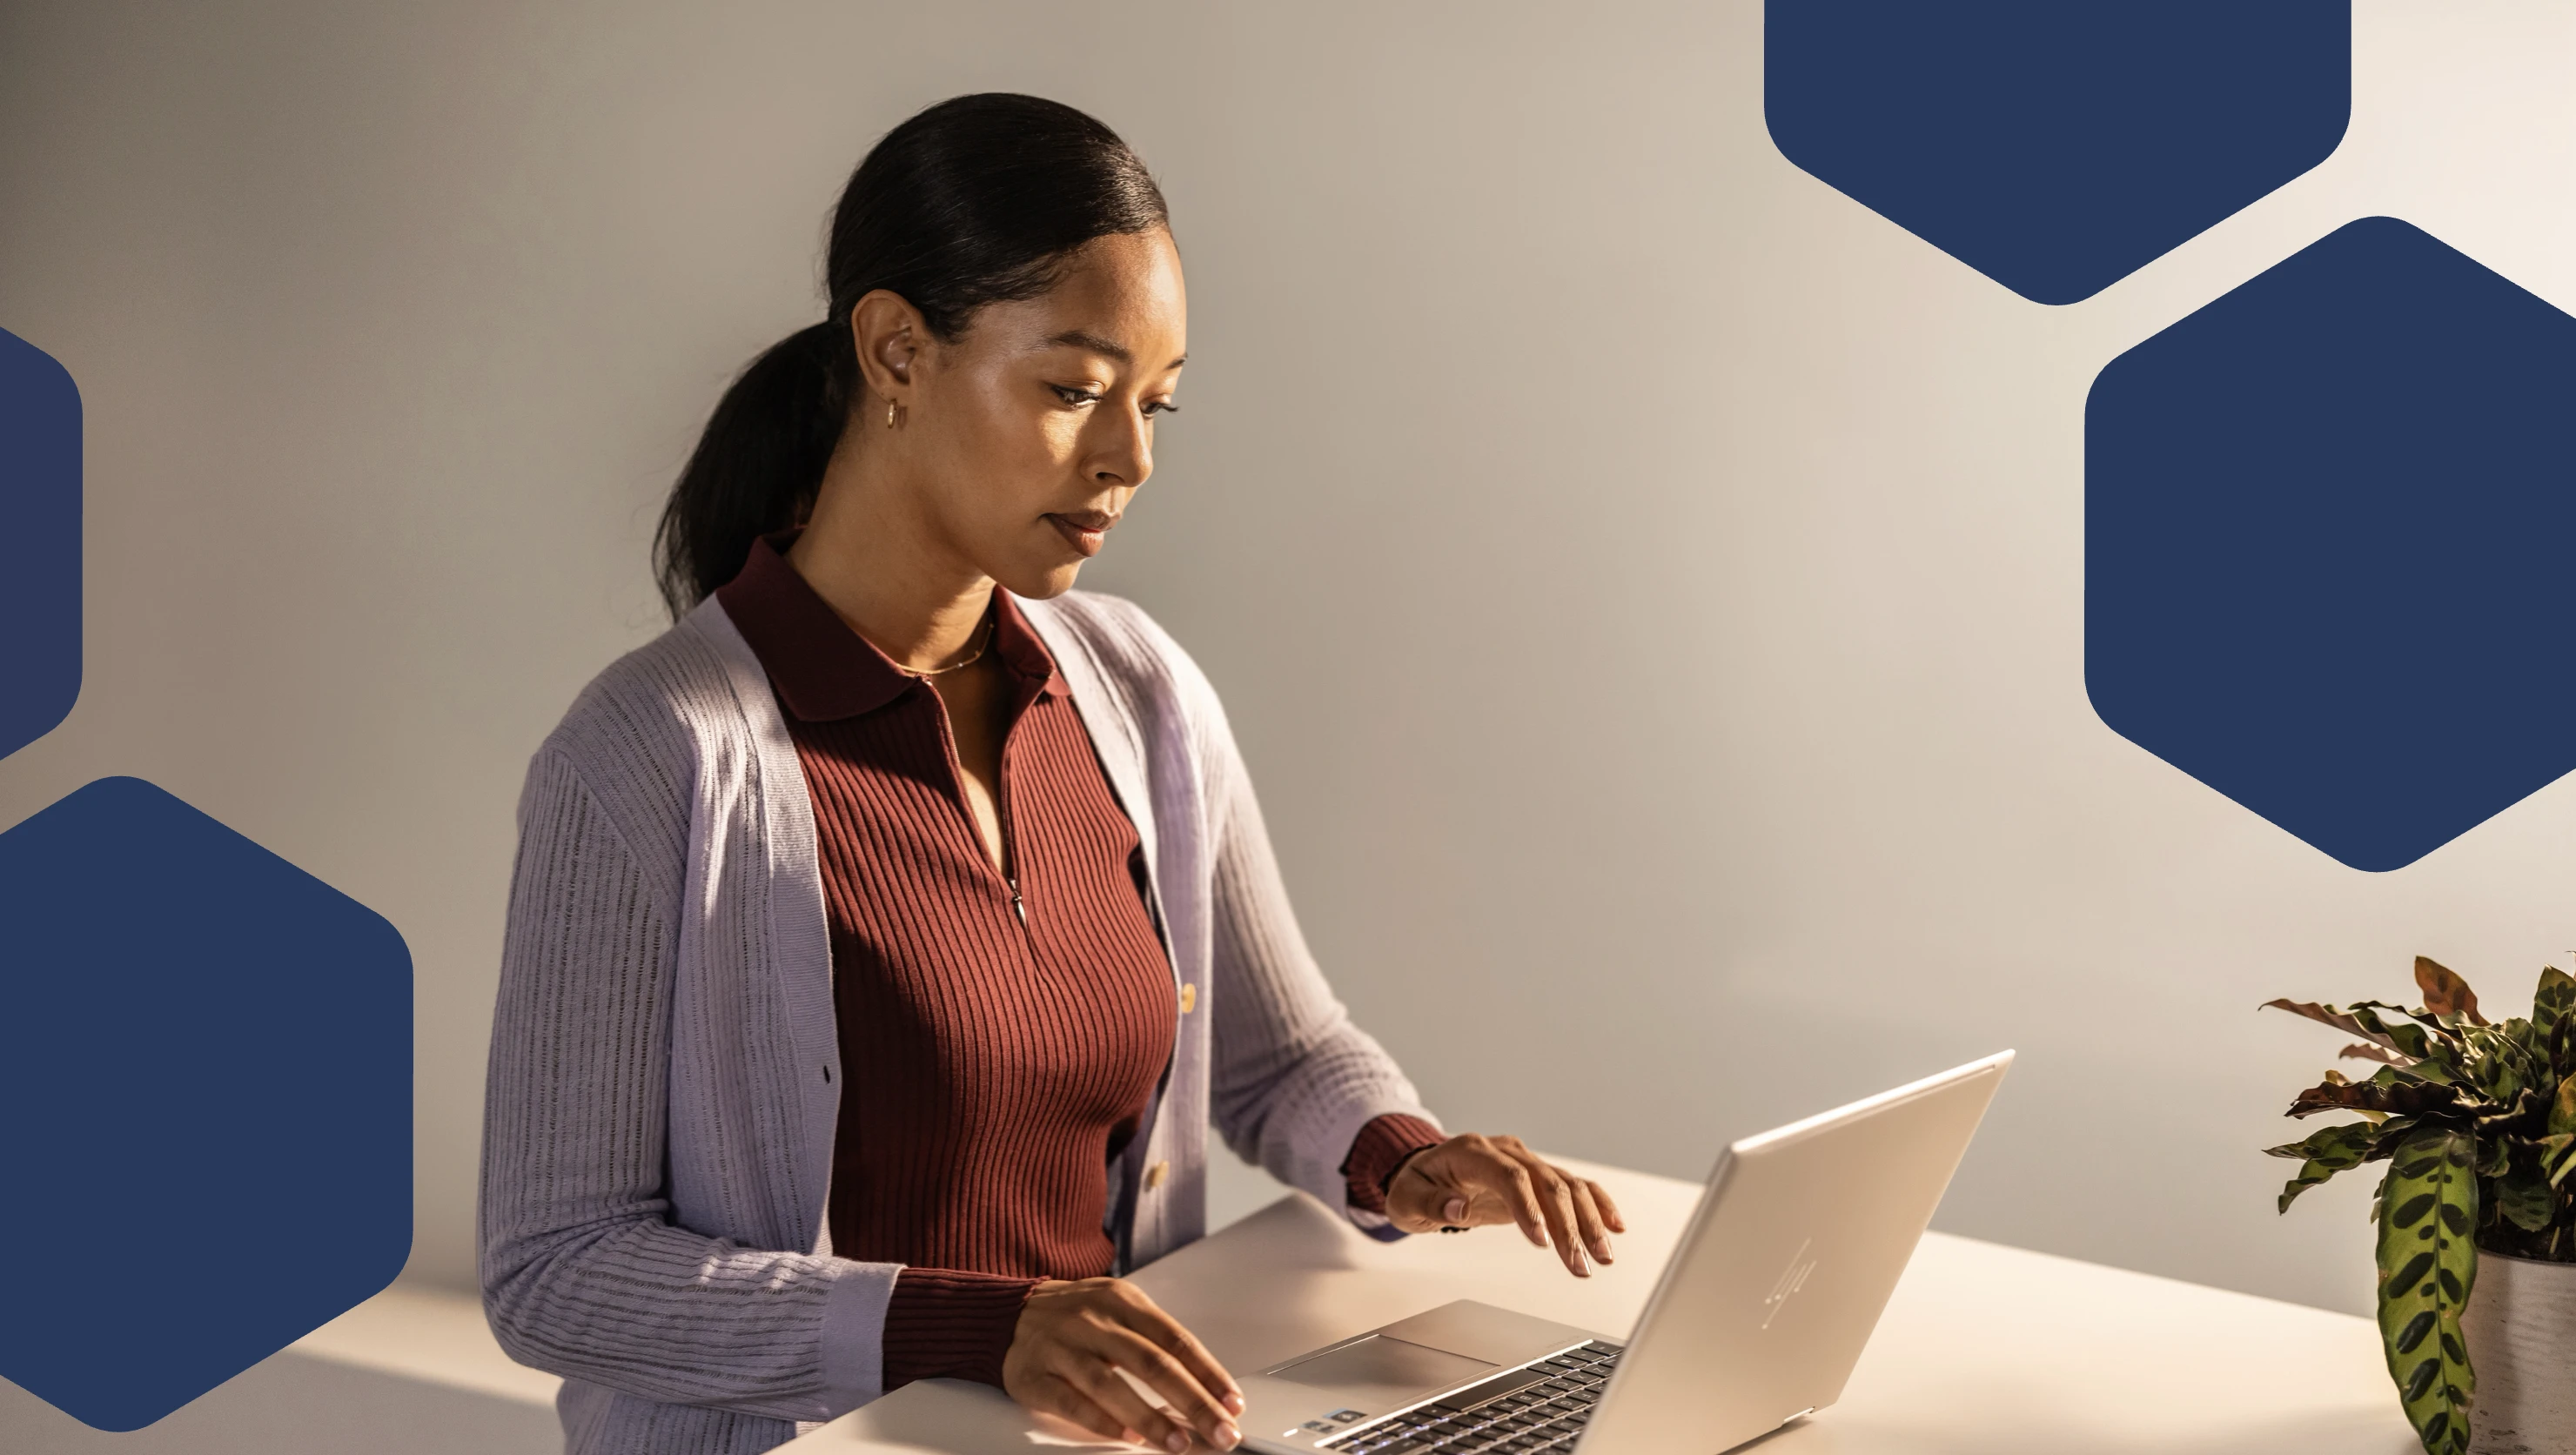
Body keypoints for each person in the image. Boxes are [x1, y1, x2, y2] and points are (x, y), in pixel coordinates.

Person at [478, 93, 1621, 1455]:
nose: (1130, 460)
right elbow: (555, 1268)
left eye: (1156, 403)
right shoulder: (652, 758)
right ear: (897, 351)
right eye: (1075, 391)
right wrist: (974, 1329)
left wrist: (1401, 1156)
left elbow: (1279, 1057)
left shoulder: (1135, 691)